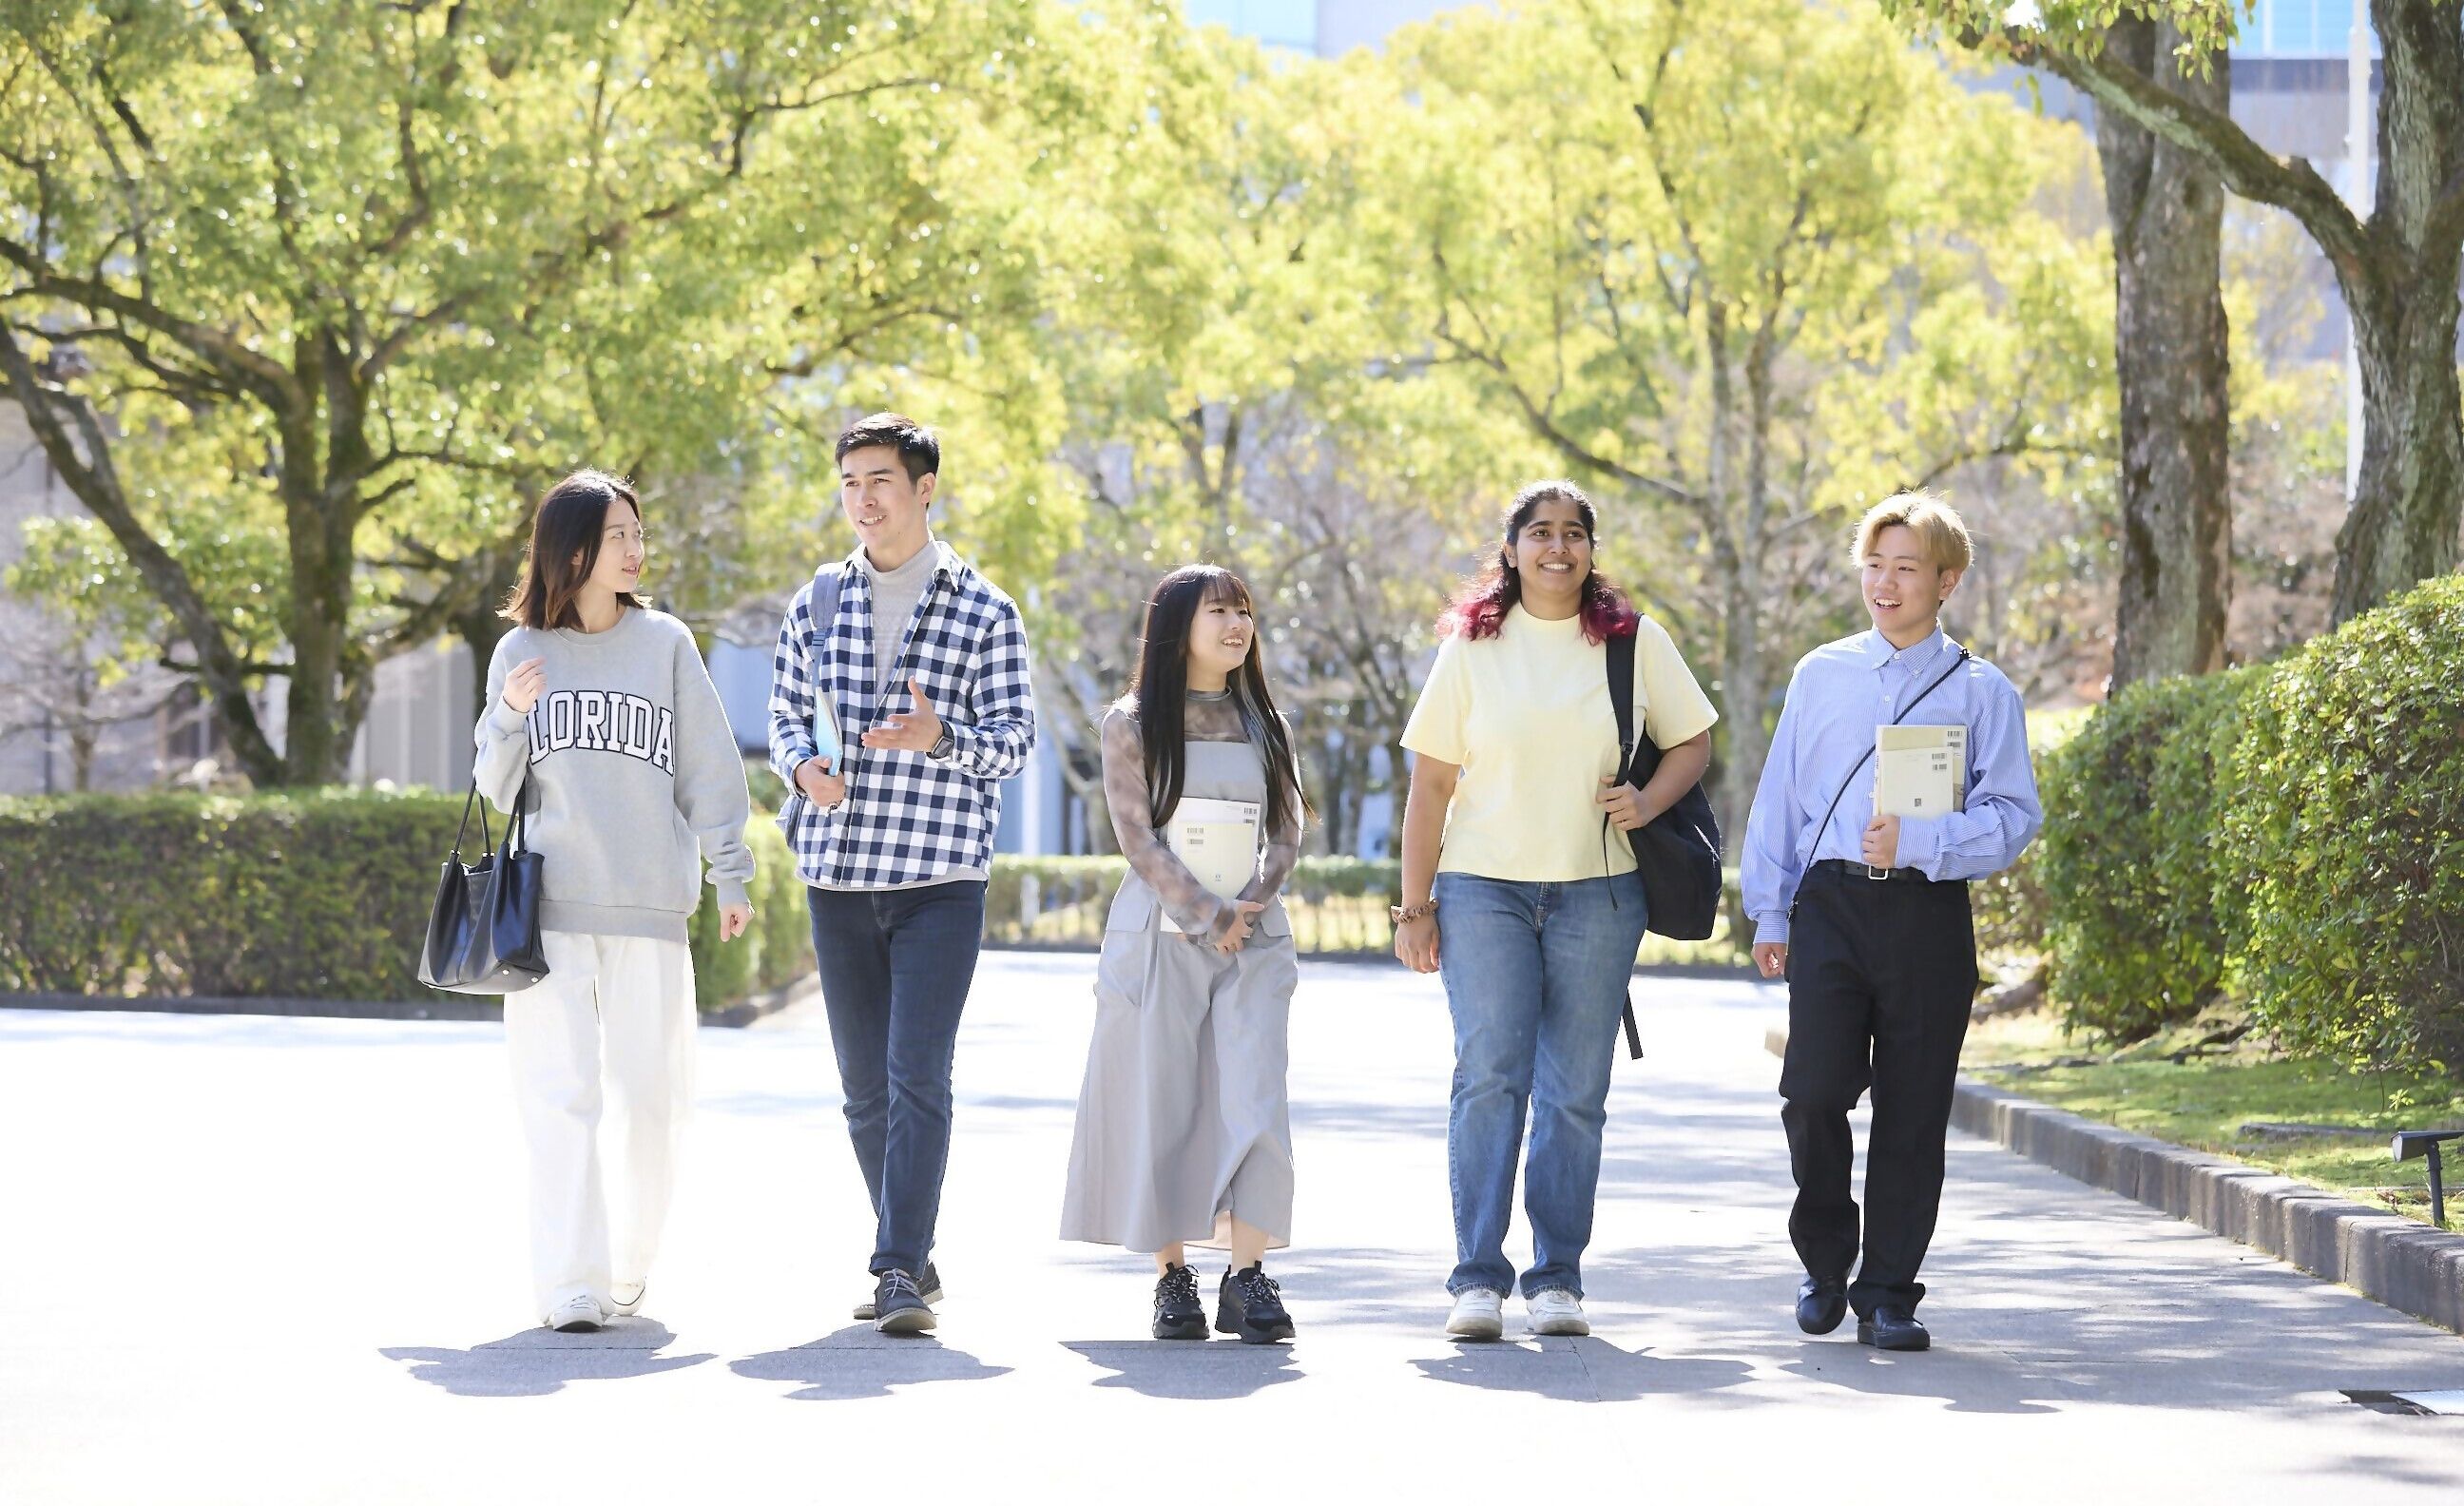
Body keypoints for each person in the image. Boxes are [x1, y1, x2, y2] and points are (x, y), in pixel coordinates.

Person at [1394, 480, 1718, 1342]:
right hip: (1483, 891)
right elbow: (1430, 785)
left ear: (1591, 551)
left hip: (1600, 893)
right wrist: (1413, 908)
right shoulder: (1470, 649)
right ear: (1510, 550)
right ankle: (1475, 1279)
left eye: (1575, 534)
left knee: (1575, 1093)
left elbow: (1694, 740)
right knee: (1490, 1078)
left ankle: (1556, 1279)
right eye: (1540, 533)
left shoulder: (1633, 642)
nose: (1558, 548)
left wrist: (1647, 804)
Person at [1741, 491, 2042, 1354]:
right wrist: (1771, 908)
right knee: (1812, 1093)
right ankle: (1826, 1263)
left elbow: (2015, 815)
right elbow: (1782, 800)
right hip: (1829, 904)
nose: (1886, 583)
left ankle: (1888, 1294)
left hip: (1926, 913)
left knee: (1914, 1111)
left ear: (1946, 581)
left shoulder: (1984, 692)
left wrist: (1925, 840)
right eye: (1875, 564)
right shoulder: (1821, 672)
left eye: (1907, 567)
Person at [767, 413, 1036, 1336]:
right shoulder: (818, 601)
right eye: (849, 483)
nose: (862, 499)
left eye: (879, 480)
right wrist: (803, 768)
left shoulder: (984, 610)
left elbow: (1015, 743)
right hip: (836, 870)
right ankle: (913, 1250)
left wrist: (941, 737)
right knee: (863, 1087)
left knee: (918, 1071)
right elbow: (786, 718)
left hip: (938, 878)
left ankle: (893, 1270)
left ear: (926, 489)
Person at [473, 470, 755, 1334]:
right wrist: (513, 720)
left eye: (639, 532)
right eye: (620, 534)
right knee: (558, 1099)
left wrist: (729, 869)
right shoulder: (521, 652)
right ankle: (569, 1281)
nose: (638, 549)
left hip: (650, 908)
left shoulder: (666, 642)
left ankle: (629, 1266)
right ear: (574, 547)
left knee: (652, 1099)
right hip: (549, 911)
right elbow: (491, 789)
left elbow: (709, 763)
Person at [1060, 566, 1307, 1344]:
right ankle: (1173, 1278)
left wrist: (1247, 906)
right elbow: (1136, 837)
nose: (1237, 625)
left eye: (1244, 611)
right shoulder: (1130, 723)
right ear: (1176, 626)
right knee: (1159, 1097)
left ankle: (1248, 1273)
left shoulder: (1269, 724)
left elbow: (1289, 832)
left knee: (1256, 1097)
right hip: (1161, 937)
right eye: (1219, 612)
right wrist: (1204, 912)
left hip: (1254, 937)